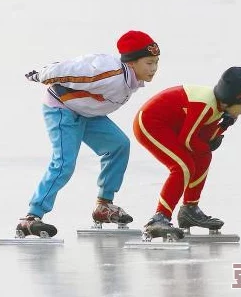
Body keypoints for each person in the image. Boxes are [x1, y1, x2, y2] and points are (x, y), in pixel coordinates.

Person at [17, 30, 160, 237]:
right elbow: (71, 69)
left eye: (156, 62)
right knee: (64, 163)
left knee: (118, 145)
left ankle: (104, 205)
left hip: (88, 113)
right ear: (131, 63)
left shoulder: (131, 79)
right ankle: (31, 216)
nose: (154, 68)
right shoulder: (108, 73)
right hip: (62, 108)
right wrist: (42, 74)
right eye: (149, 62)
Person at [132, 67, 241, 239]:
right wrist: (209, 143)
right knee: (182, 166)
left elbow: (206, 140)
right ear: (228, 102)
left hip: (172, 126)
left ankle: (190, 209)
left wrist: (224, 125)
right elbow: (189, 140)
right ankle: (158, 218)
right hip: (150, 122)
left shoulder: (219, 107)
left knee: (203, 157)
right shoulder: (205, 105)